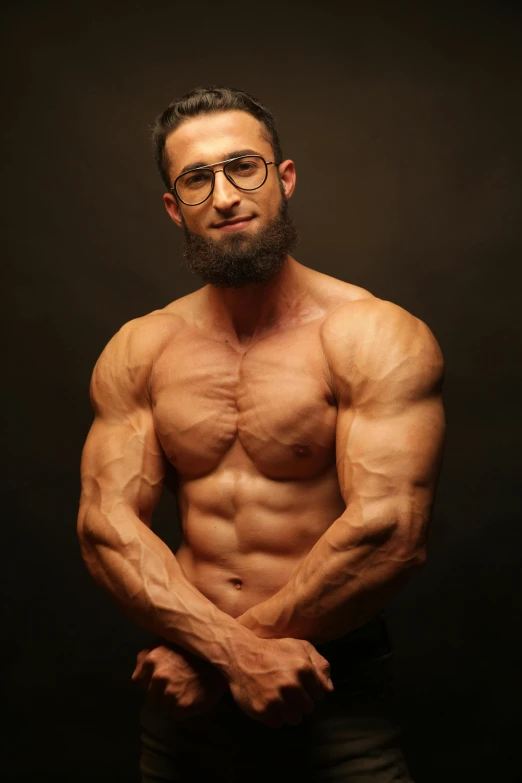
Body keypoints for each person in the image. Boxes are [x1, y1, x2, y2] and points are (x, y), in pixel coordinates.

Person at [77, 86, 446, 782]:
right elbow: (105, 528)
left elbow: (390, 533)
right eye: (197, 179)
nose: (224, 196)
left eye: (244, 167)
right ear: (173, 207)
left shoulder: (373, 334)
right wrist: (226, 653)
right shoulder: (141, 347)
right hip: (185, 698)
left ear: (285, 178)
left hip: (330, 690)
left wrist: (225, 655)